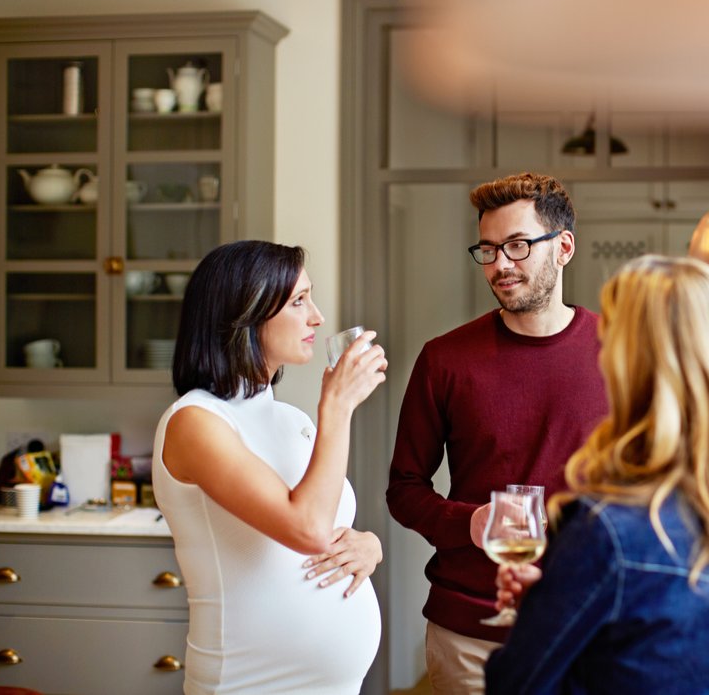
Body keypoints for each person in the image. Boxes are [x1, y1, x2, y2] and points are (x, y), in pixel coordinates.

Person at [483, 255, 709, 695]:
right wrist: (559, 597)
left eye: (610, 342)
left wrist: (544, 611)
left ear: (635, 366)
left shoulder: (606, 529)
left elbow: (515, 685)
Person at [386, 174, 609, 695]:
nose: (500, 265)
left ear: (564, 248)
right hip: (472, 631)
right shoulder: (444, 359)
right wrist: (471, 523)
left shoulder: (622, 350)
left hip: (588, 622)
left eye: (517, 246)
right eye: (488, 250)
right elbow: (404, 488)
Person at [152, 240, 387, 694]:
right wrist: (337, 407)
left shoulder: (291, 421)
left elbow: (328, 527)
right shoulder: (195, 421)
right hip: (248, 683)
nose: (317, 317)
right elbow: (307, 528)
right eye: (299, 301)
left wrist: (369, 546)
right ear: (244, 313)